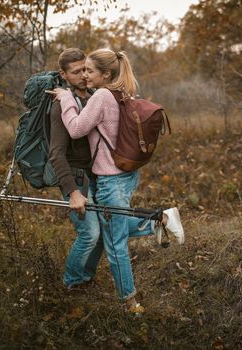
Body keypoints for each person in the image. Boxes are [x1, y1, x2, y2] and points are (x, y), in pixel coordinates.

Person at [47, 49, 185, 314]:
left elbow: (76, 129)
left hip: (111, 180)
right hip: (125, 175)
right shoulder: (121, 93)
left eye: (90, 70)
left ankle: (130, 303)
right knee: (110, 228)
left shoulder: (100, 96)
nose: (85, 76)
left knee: (115, 245)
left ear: (106, 74)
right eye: (82, 70)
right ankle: (160, 220)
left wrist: (65, 97)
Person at [47, 48, 101, 291]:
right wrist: (73, 192)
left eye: (85, 69)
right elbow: (56, 153)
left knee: (102, 234)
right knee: (90, 233)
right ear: (64, 75)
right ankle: (71, 284)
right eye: (76, 72)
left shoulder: (94, 97)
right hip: (76, 178)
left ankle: (85, 280)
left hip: (98, 176)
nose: (83, 76)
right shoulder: (61, 106)